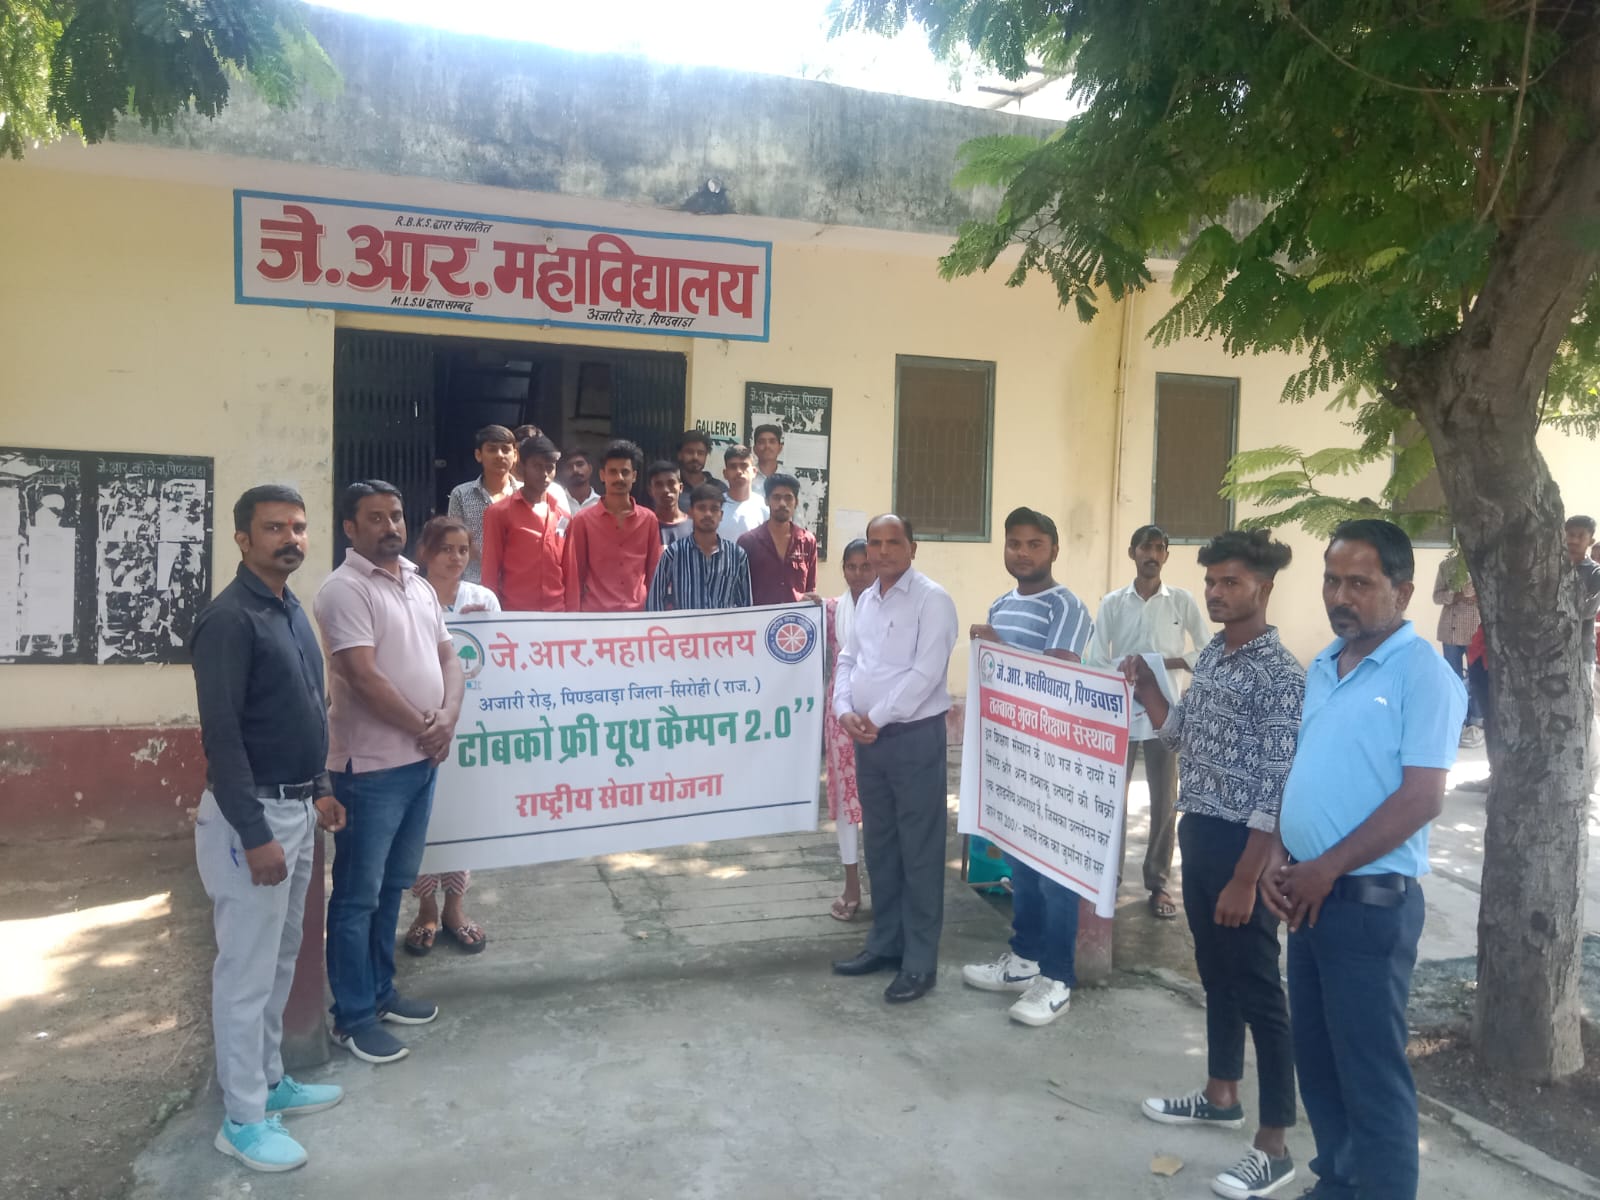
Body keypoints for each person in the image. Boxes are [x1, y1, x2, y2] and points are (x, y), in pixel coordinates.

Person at [1260, 519, 1466, 1200]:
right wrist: (1280, 854)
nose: (1340, 596)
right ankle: (1338, 1184)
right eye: (1331, 581)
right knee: (1319, 1064)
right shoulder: (1326, 664)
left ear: (1402, 591)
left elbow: (1422, 797)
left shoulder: (1423, 674)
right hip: (1307, 895)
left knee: (1371, 1075)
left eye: (1359, 583)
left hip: (1368, 907)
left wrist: (1326, 867)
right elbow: (1308, 771)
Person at [1128, 530, 1304, 1200]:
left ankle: (1274, 1145)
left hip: (1244, 847)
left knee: (1259, 987)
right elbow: (1178, 736)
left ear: (1264, 587)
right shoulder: (1212, 656)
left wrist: (1248, 875)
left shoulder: (1281, 676)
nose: (1216, 593)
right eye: (1210, 582)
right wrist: (1150, 688)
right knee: (1216, 971)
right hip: (1200, 832)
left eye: (1230, 582)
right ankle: (1220, 1093)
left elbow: (1277, 784)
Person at [190, 485, 347, 1173]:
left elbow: (306, 706)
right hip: (248, 816)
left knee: (282, 958)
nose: (290, 538)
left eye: (298, 527)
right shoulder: (229, 620)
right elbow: (223, 737)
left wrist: (321, 787)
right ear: (242, 538)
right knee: (245, 973)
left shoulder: (287, 608)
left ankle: (270, 1080)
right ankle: (243, 1120)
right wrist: (254, 834)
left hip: (298, 806)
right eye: (274, 528)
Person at [315, 480, 466, 1065]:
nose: (390, 527)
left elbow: (449, 657)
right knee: (357, 896)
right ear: (350, 529)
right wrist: (425, 729)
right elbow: (363, 677)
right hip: (371, 769)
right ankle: (351, 1017)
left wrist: (447, 718)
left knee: (389, 888)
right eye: (375, 518)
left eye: (396, 515)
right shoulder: (344, 590)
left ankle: (381, 992)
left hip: (420, 763)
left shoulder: (418, 584)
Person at [961, 508, 1094, 1027]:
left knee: (1056, 874)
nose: (1023, 553)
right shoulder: (1001, 604)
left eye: (1035, 544)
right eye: (1014, 543)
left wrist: (998, 649)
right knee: (1022, 868)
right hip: (1011, 760)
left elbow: (1058, 678)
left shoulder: (1067, 606)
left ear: (1054, 550)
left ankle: (1058, 979)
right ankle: (1024, 961)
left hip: (1054, 763)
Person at [830, 515, 959, 1004]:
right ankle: (885, 943)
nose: (882, 552)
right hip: (869, 741)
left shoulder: (932, 600)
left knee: (919, 851)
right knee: (881, 846)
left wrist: (875, 717)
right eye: (875, 543)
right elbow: (849, 659)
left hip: (913, 738)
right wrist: (844, 709)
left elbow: (926, 674)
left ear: (912, 547)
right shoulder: (867, 599)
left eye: (893, 542)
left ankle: (919, 963)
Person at [1085, 524, 1211, 919]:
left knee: (1164, 799)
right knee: (1112, 797)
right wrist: (1125, 668)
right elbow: (1095, 659)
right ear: (1132, 553)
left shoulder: (1182, 602)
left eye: (1159, 548)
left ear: (1166, 556)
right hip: (1121, 712)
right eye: (1145, 547)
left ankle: (1158, 882)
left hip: (1165, 714)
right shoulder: (1113, 603)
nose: (1152, 554)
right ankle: (1110, 878)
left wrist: (1166, 663)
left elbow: (1208, 651)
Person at [403, 516, 498, 959]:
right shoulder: (407, 596)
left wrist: (487, 629)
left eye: (462, 550)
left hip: (473, 724)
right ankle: (425, 910)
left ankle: (455, 909)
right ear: (425, 552)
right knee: (422, 820)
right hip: (419, 722)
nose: (455, 558)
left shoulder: (483, 599)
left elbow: (503, 656)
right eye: (445, 549)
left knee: (462, 815)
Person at [819, 539, 874, 921]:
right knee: (845, 802)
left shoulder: (890, 608)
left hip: (881, 714)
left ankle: (884, 885)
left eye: (865, 566)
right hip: (841, 714)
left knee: (878, 800)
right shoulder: (832, 611)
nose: (857, 574)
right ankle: (851, 883)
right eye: (851, 566)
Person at [563, 439, 663, 612]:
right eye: (613, 472)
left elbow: (654, 572)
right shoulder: (583, 520)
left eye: (625, 472)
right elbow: (575, 575)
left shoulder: (648, 520)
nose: (619, 478)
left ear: (634, 476)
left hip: (638, 614)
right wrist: (574, 619)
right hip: (596, 614)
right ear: (602, 475)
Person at [480, 435, 570, 612]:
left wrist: (572, 615)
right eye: (537, 466)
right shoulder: (499, 512)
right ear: (521, 467)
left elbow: (569, 570)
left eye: (550, 467)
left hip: (557, 611)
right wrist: (491, 613)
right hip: (515, 612)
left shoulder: (563, 516)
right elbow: (490, 568)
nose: (544, 474)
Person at [646, 483, 752, 611]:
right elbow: (655, 602)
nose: (708, 514)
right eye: (701, 508)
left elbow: (746, 606)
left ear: (721, 515)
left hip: (724, 624)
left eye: (714, 509)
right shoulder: (674, 554)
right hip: (685, 624)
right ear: (691, 512)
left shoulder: (737, 555)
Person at [445, 425, 519, 584]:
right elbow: (454, 542)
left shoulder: (525, 495)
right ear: (478, 455)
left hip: (516, 584)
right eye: (492, 449)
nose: (499, 455)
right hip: (475, 582)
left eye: (506, 449)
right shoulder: (461, 494)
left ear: (515, 455)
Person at [738, 472, 816, 605]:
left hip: (794, 616)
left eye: (788, 498)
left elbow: (810, 589)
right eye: (776, 497)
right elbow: (739, 590)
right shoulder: (748, 542)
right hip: (759, 616)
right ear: (767, 500)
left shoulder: (807, 541)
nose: (782, 504)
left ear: (796, 502)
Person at [1432, 550, 1483, 747]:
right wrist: (1456, 595)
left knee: (1476, 677)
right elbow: (1437, 597)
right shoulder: (1447, 565)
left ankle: (1476, 724)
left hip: (1476, 631)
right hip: (1450, 632)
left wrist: (1477, 596)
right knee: (1453, 679)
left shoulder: (1484, 563)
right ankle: (1456, 722)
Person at [510, 423, 573, 511]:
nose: (523, 456)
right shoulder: (501, 489)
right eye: (520, 451)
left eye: (534, 451)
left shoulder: (555, 491)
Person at [718, 444, 768, 541]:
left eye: (744, 466)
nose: (739, 471)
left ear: (754, 472)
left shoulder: (765, 507)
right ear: (725, 473)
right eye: (733, 467)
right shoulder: (716, 506)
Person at [674, 430, 724, 512]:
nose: (695, 457)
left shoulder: (719, 487)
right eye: (690, 452)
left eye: (700, 453)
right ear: (679, 455)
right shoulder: (673, 486)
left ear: (706, 456)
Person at [648, 460, 693, 546]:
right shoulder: (645, 528)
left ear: (681, 488)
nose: (666, 490)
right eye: (659, 485)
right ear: (650, 491)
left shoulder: (695, 528)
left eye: (671, 483)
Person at [561, 448, 601, 512]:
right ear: (563, 472)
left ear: (590, 469)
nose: (575, 470)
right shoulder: (558, 502)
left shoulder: (601, 503)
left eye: (580, 464)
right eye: (569, 466)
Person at [752, 423, 784, 492]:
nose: (767, 446)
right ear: (754, 449)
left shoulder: (788, 477)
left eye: (772, 442)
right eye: (762, 442)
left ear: (780, 448)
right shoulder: (747, 477)